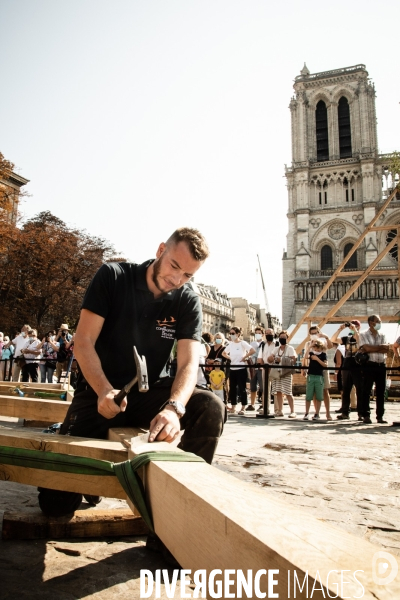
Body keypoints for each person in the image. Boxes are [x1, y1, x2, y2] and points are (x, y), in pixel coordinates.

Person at [38, 227, 226, 522]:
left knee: (211, 407)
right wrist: (102, 390)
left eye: (188, 275)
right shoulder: (113, 277)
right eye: (175, 267)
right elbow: (84, 340)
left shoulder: (187, 298)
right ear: (161, 249)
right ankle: (72, 454)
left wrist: (174, 409)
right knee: (55, 506)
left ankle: (180, 511)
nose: (177, 280)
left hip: (150, 395)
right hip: (99, 393)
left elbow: (189, 362)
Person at [358, 315, 389, 424]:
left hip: (381, 364)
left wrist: (372, 348)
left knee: (381, 391)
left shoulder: (383, 334)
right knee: (366, 390)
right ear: (371, 323)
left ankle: (380, 415)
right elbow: (365, 348)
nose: (380, 323)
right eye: (378, 321)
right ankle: (366, 414)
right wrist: (379, 347)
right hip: (369, 364)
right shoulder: (363, 334)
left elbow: (387, 349)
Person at [331, 320, 363, 421]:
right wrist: (340, 329)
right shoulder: (347, 338)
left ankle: (361, 413)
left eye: (356, 326)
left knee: (360, 390)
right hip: (347, 364)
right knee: (346, 390)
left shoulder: (362, 336)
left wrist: (355, 330)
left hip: (358, 365)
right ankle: (345, 412)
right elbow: (334, 339)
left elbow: (359, 341)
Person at [222, 326, 255, 415]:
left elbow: (252, 350)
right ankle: (233, 406)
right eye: (230, 334)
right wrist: (230, 358)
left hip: (241, 368)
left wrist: (244, 357)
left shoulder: (242, 343)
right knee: (232, 388)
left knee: (242, 388)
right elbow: (224, 353)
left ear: (238, 334)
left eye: (233, 333)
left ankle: (243, 407)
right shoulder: (230, 344)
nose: (231, 335)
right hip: (233, 368)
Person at [302, 325, 333, 421]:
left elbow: (331, 346)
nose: (314, 335)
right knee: (314, 392)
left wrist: (326, 337)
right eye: (312, 333)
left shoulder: (322, 342)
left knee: (325, 390)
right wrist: (303, 368)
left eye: (315, 333)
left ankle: (328, 413)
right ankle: (316, 412)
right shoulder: (308, 344)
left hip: (322, 370)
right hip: (312, 371)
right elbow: (305, 356)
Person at [267, 330, 297, 418]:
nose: (282, 339)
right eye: (281, 337)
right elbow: (269, 360)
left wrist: (282, 360)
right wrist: (271, 358)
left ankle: (292, 411)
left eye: (284, 337)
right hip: (277, 372)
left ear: (287, 338)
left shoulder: (290, 349)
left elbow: (293, 360)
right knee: (278, 392)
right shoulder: (276, 349)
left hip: (286, 373)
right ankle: (280, 410)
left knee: (288, 392)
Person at [303, 340, 328, 420]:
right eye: (315, 349)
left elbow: (325, 364)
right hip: (311, 376)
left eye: (318, 349)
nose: (317, 351)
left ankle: (317, 413)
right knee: (309, 395)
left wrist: (317, 359)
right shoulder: (311, 354)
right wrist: (310, 347)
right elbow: (306, 356)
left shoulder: (323, 355)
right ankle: (306, 413)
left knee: (319, 396)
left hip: (319, 377)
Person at [257, 328, 276, 414]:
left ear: (274, 333)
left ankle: (278, 409)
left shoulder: (277, 344)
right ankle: (266, 408)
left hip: (275, 368)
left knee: (276, 389)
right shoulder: (263, 344)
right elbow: (260, 358)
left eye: (270, 333)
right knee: (266, 389)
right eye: (267, 333)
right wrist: (264, 366)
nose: (269, 334)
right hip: (265, 368)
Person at [246, 326, 264, 411]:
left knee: (262, 387)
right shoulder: (252, 343)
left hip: (261, 367)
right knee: (253, 387)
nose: (258, 335)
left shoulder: (264, 343)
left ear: (262, 334)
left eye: (259, 333)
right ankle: (252, 404)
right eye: (256, 333)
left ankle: (263, 404)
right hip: (253, 367)